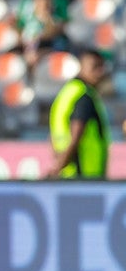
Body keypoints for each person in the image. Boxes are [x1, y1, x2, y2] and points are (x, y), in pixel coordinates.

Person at [47, 48, 110, 179]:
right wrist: (57, 170)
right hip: (84, 176)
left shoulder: (67, 92)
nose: (100, 72)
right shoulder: (84, 96)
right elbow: (75, 138)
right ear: (80, 66)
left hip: (69, 174)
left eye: (101, 67)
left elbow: (54, 134)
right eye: (95, 67)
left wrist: (58, 165)